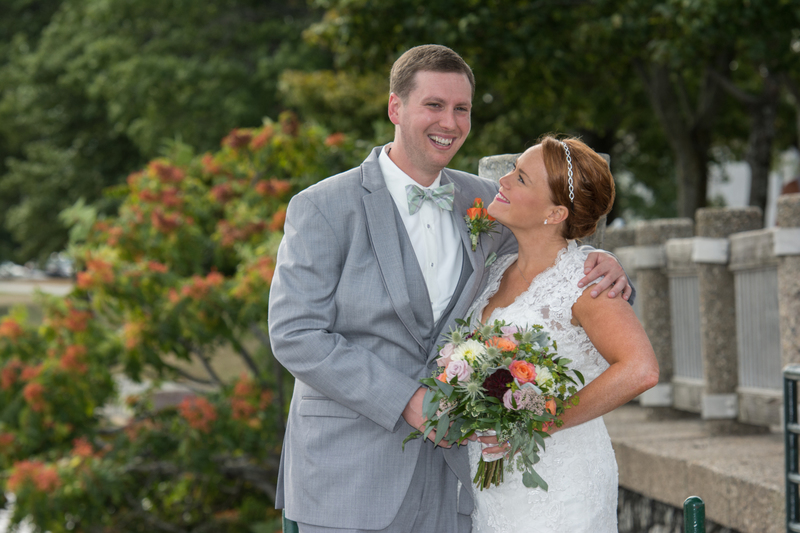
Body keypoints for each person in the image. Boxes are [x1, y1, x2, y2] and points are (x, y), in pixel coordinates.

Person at [267, 45, 632, 533]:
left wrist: (603, 261)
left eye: (462, 109)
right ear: (395, 107)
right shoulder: (322, 207)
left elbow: (553, 257)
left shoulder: (489, 201)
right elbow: (295, 334)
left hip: (457, 484)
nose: (450, 122)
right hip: (347, 476)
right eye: (434, 105)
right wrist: (405, 399)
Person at [467, 135, 659, 533]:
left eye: (521, 178)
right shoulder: (495, 270)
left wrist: (543, 421)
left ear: (555, 213)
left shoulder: (585, 281)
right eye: (513, 170)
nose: (503, 180)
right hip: (492, 485)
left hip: (560, 480)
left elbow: (640, 369)